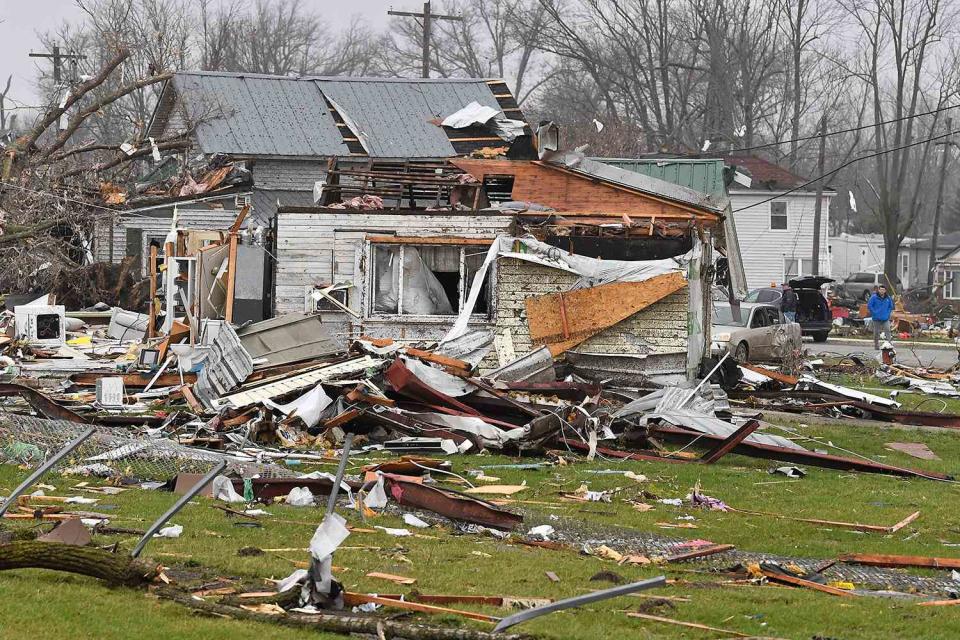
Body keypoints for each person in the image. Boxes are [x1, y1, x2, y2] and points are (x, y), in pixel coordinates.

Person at [868, 284, 895, 349]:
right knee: (876, 332)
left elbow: (891, 306)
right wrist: (874, 313)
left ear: (885, 291)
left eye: (883, 290)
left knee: (888, 330)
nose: (882, 291)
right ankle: (876, 344)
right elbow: (869, 306)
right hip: (876, 318)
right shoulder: (874, 297)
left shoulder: (888, 298)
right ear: (878, 290)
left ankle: (889, 344)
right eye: (881, 289)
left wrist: (888, 313)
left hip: (885, 318)